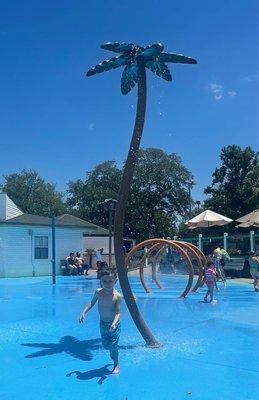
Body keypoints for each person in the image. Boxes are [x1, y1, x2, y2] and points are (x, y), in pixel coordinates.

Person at [79, 269, 122, 374]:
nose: (107, 284)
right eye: (105, 281)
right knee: (106, 345)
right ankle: (112, 353)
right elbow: (92, 302)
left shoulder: (117, 296)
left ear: (115, 281)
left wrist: (114, 323)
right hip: (103, 323)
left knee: (114, 346)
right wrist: (84, 312)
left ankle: (116, 364)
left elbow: (118, 313)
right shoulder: (98, 292)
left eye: (110, 281)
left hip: (114, 325)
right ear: (101, 281)